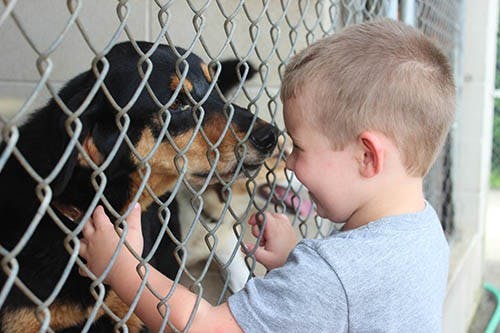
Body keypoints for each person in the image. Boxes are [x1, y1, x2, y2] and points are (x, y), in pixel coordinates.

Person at [79, 18, 455, 332]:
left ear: (366, 156)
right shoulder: (424, 231)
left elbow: (211, 327)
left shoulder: (330, 276)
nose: (288, 163)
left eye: (299, 148)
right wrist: (295, 259)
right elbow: (353, 302)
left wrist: (122, 269)